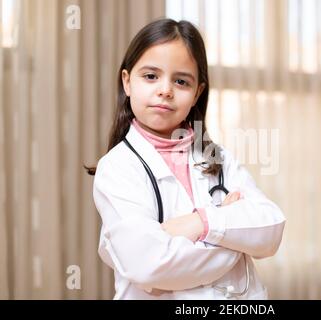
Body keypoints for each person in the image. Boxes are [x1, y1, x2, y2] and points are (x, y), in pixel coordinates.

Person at [88, 18, 286, 300]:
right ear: (127, 81)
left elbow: (270, 229)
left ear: (197, 93)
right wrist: (235, 239)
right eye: (151, 76)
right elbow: (150, 264)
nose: (165, 90)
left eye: (181, 81)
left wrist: (200, 223)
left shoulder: (218, 159)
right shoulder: (117, 168)